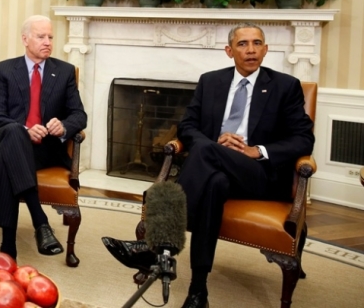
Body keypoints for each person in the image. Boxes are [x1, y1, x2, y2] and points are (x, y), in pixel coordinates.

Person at [101, 22, 314, 308]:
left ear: (266, 49)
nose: (250, 50)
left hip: (259, 175)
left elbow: (303, 139)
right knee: (213, 180)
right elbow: (187, 125)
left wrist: (256, 151)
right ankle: (198, 291)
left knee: (203, 150)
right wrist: (214, 142)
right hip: (214, 171)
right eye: (242, 44)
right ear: (229, 51)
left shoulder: (285, 86)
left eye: (257, 43)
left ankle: (156, 245)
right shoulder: (211, 81)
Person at [0, 15, 87, 260]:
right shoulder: (5, 70)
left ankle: (8, 248)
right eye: (41, 36)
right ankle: (40, 221)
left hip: (43, 150)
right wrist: (25, 129)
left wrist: (63, 125)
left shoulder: (64, 72)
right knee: (14, 133)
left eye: (51, 37)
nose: (48, 42)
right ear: (25, 39)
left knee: (5, 158)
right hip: (7, 135)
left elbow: (79, 115)